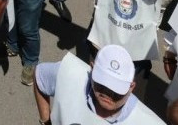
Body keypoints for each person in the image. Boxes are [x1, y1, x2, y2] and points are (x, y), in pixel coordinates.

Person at [33, 43, 164, 125]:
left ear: (131, 87)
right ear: (92, 69)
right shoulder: (69, 73)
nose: (108, 94)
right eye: (103, 84)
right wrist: (46, 121)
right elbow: (40, 75)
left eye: (117, 89)